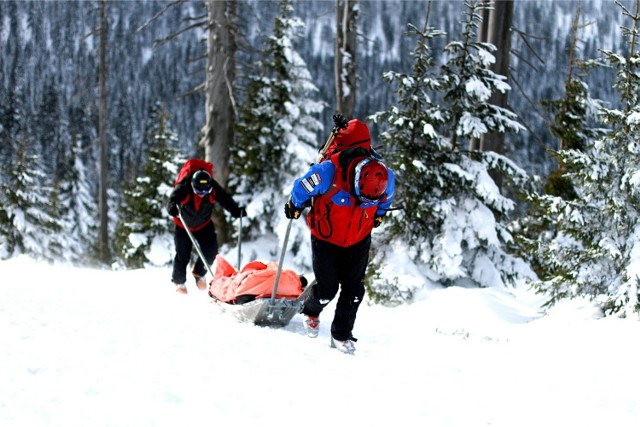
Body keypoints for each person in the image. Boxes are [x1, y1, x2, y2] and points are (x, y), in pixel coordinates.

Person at [284, 123, 395, 354]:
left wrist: (379, 216)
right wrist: (295, 205)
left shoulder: (384, 177)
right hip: (325, 237)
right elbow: (301, 188)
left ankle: (341, 335)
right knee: (327, 289)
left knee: (354, 291)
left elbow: (385, 202)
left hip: (359, 237)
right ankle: (310, 310)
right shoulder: (326, 172)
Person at [167, 164, 245, 294]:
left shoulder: (212, 186)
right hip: (183, 225)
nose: (202, 195)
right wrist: (172, 206)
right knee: (183, 255)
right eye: (199, 191)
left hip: (203, 224)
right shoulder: (185, 185)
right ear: (193, 186)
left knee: (211, 251)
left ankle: (199, 272)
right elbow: (173, 198)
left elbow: (224, 198)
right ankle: (179, 282)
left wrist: (236, 211)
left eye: (205, 192)